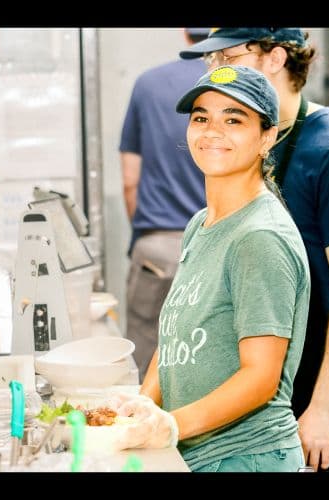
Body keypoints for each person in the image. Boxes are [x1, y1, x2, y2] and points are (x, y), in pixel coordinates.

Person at [181, 28, 329, 472]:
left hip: (309, 391)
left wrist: (323, 408)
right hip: (242, 397)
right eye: (210, 62)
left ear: (275, 59)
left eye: (228, 56)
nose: (217, 71)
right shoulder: (234, 143)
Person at [106, 65, 311, 472]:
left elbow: (261, 377)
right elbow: (178, 334)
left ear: (267, 137)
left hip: (245, 456)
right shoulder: (201, 224)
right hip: (196, 452)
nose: (212, 131)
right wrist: (145, 405)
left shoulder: (259, 237)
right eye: (201, 118)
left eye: (233, 119)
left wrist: (169, 425)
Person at [120, 28, 209, 380]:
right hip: (213, 245)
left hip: (156, 248)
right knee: (204, 363)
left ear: (185, 32)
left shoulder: (147, 84)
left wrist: (148, 236)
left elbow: (130, 180)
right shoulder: (232, 86)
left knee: (144, 361)